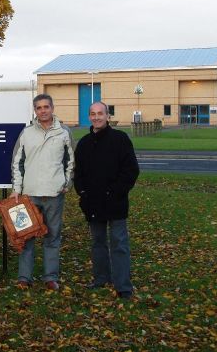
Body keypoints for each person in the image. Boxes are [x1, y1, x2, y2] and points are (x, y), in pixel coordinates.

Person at [74, 102, 139, 299]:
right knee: (98, 242)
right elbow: (79, 174)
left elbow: (131, 170)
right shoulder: (84, 143)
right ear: (89, 117)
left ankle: (123, 286)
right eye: (92, 114)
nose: (96, 117)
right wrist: (83, 193)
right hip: (92, 202)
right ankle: (101, 278)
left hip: (115, 201)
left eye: (100, 113)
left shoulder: (120, 139)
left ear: (107, 116)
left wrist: (115, 192)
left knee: (119, 243)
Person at [11, 94, 75, 291]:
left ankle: (50, 277)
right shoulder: (26, 133)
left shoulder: (64, 132)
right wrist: (16, 189)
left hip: (54, 194)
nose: (43, 111)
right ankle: (24, 278)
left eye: (46, 107)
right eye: (39, 108)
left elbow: (71, 161)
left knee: (52, 237)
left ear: (52, 108)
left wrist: (67, 182)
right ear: (35, 111)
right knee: (26, 237)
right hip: (29, 195)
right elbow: (17, 162)